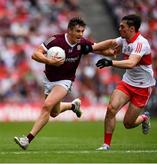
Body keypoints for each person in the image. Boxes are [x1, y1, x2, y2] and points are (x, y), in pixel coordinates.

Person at [14, 17, 117, 150]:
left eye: (82, 31)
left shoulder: (82, 43)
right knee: (53, 113)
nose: (80, 34)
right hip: (48, 79)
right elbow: (35, 54)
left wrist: (110, 51)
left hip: (65, 81)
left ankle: (27, 139)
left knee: (47, 106)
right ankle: (73, 106)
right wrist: (49, 61)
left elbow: (94, 48)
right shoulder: (55, 40)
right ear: (69, 30)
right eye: (77, 31)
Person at [95, 14, 156, 150]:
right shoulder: (124, 39)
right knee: (111, 109)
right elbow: (110, 43)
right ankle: (106, 145)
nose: (119, 28)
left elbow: (131, 63)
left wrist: (110, 62)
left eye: (122, 27)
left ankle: (144, 118)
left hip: (142, 87)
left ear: (131, 29)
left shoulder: (141, 43)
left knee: (128, 124)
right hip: (127, 83)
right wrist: (91, 48)